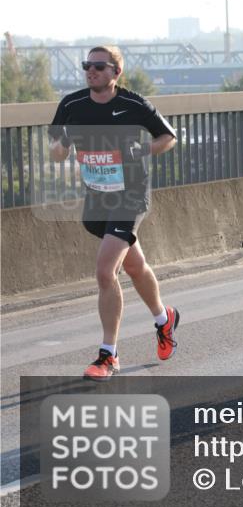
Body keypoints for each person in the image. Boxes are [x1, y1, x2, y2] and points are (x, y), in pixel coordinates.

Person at [49, 46, 180, 381]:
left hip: (131, 197)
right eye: (86, 66)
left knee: (106, 271)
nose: (90, 71)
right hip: (97, 200)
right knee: (135, 267)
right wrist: (63, 145)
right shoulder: (72, 104)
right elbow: (56, 154)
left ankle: (108, 355)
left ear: (115, 72)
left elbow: (169, 137)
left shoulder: (133, 104)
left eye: (98, 66)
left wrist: (143, 149)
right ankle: (164, 318)